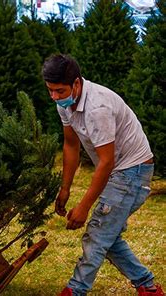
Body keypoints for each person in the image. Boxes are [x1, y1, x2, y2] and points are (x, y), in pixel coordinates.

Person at [42, 54, 163, 296]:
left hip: (132, 172)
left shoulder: (97, 107)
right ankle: (148, 288)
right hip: (118, 170)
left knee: (97, 234)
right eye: (50, 90)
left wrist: (84, 206)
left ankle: (75, 290)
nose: (54, 96)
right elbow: (70, 145)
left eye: (59, 90)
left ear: (76, 83)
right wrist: (65, 188)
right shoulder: (64, 103)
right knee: (107, 236)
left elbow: (106, 163)